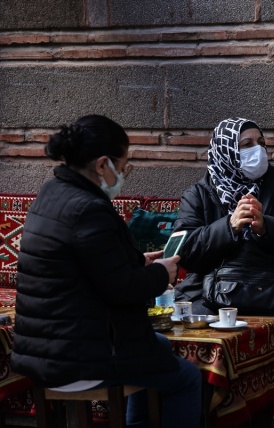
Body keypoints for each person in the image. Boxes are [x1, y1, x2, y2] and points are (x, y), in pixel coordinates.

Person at [11, 115, 201, 428]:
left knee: (160, 347)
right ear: (102, 165)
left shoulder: (52, 193)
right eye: (124, 166)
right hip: (77, 357)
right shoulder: (88, 208)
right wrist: (162, 274)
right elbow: (122, 289)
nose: (124, 174)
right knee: (187, 378)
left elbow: (87, 266)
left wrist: (138, 262)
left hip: (45, 347)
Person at [173, 117, 274, 323]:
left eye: (261, 143)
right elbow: (185, 250)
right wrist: (229, 226)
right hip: (210, 294)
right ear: (226, 151)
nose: (258, 150)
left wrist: (266, 227)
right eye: (246, 145)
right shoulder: (199, 193)